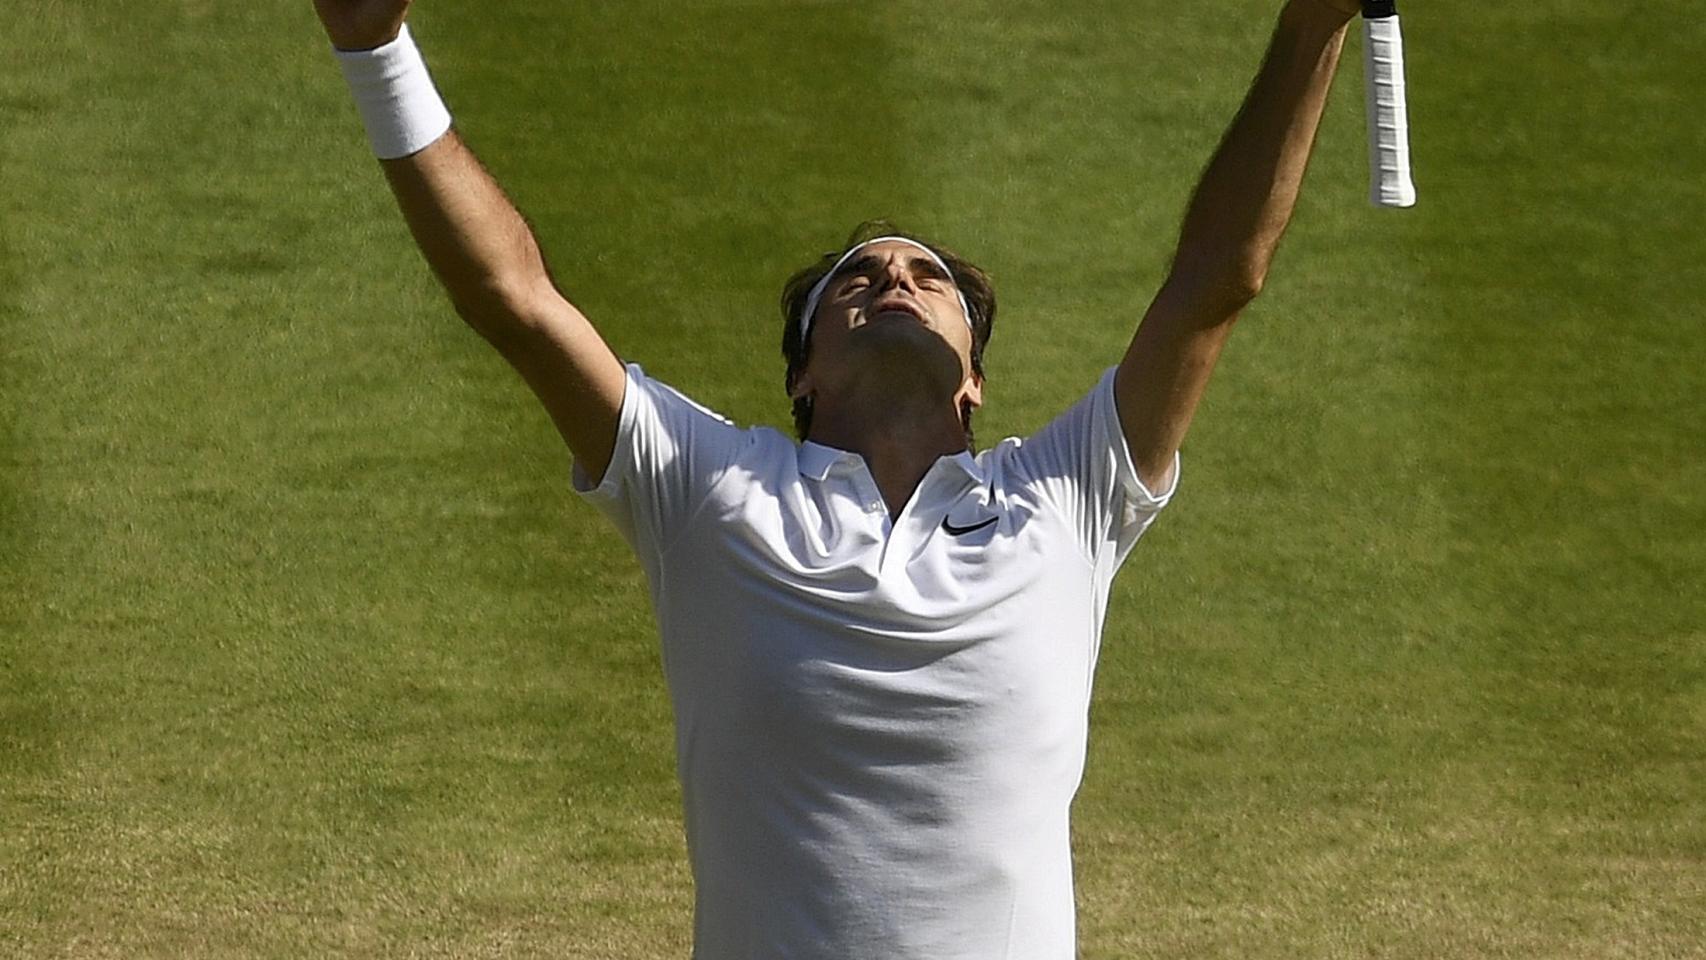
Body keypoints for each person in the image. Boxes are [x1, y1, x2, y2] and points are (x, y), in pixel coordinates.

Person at [312, 0, 1362, 955]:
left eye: (927, 278)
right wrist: (374, 47)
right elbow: (515, 299)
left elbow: (1217, 279)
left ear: (973, 382)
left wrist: (1314, 23)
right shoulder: (710, 487)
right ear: (802, 375)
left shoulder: (1066, 497)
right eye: (858, 279)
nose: (894, 278)